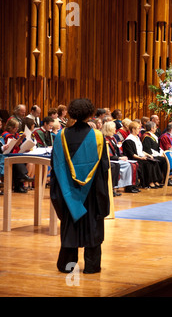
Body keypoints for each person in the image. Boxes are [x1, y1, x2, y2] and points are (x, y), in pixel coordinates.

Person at [50, 98, 110, 274]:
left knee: (71, 224)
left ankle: (67, 265)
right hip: (91, 192)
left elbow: (56, 166)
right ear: (90, 113)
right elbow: (103, 169)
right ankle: (92, 266)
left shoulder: (60, 136)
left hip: (68, 191)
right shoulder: (97, 137)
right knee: (92, 225)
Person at [122, 121, 164, 189]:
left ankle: (156, 181)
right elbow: (132, 154)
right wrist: (141, 158)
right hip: (134, 158)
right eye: (138, 128)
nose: (139, 130)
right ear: (133, 129)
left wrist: (148, 155)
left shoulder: (137, 138)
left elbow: (140, 150)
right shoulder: (129, 140)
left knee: (154, 161)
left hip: (140, 156)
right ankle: (149, 182)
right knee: (148, 163)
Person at [102, 121, 139, 195]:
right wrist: (119, 158)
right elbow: (108, 154)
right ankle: (115, 187)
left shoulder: (113, 138)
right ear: (110, 129)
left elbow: (117, 151)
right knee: (126, 165)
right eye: (114, 128)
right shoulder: (105, 140)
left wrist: (121, 157)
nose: (115, 129)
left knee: (132, 164)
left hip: (116, 158)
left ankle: (129, 186)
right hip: (111, 159)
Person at [2, 118, 30, 193]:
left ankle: (21, 184)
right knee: (17, 161)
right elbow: (14, 145)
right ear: (10, 127)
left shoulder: (16, 134)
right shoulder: (6, 134)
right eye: (15, 128)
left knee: (23, 159)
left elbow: (18, 146)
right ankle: (21, 180)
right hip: (7, 154)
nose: (16, 129)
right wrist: (21, 138)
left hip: (15, 154)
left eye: (17, 128)